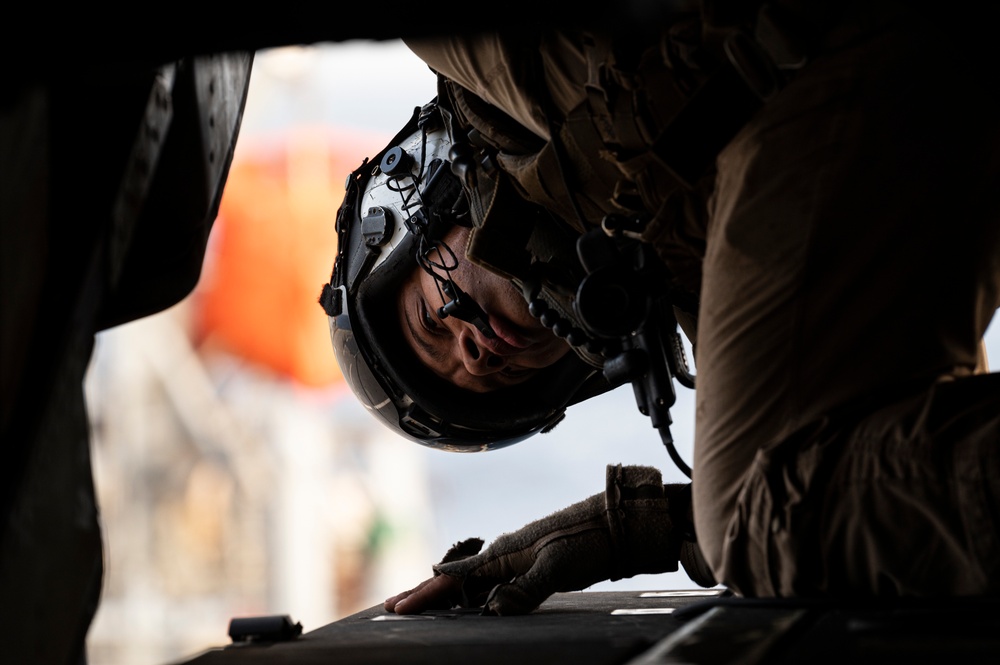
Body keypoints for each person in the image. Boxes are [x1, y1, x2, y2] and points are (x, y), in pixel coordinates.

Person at [319, 0, 1000, 616]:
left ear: (416, 203)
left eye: (430, 321)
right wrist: (655, 525)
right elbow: (825, 496)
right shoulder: (702, 268)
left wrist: (729, 517)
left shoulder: (480, 62)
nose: (472, 355)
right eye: (491, 380)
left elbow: (762, 514)